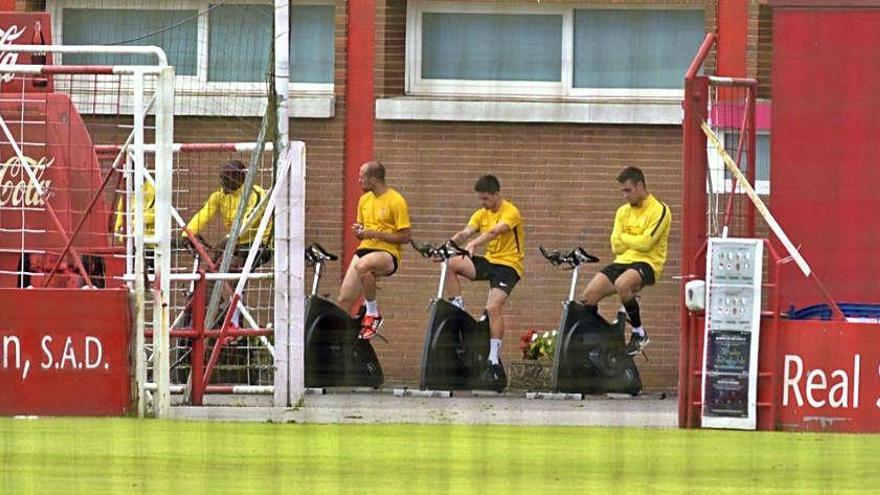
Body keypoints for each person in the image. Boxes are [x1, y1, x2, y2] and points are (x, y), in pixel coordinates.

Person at [580, 166, 671, 356]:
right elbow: (615, 246)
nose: (625, 195)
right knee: (588, 296)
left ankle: (639, 333)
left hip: (648, 263)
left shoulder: (660, 210)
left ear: (640, 186)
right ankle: (604, 338)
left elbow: (647, 244)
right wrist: (633, 241)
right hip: (622, 260)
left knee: (623, 285)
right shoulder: (622, 212)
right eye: (623, 190)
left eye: (628, 190)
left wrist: (627, 239)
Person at [446, 175, 524, 392]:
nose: (483, 203)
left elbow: (493, 232)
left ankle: (493, 358)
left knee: (492, 308)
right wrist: (448, 245)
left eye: (487, 199)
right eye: (481, 199)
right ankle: (458, 307)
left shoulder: (511, 212)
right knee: (451, 264)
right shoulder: (481, 213)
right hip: (490, 262)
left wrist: (474, 244)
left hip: (508, 266)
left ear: (498, 194)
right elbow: (466, 231)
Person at [336, 160, 411, 340]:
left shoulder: (396, 200)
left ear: (375, 179)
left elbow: (405, 237)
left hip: (388, 253)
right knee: (343, 301)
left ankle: (373, 313)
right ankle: (348, 342)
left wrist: (374, 233)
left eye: (362, 177)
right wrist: (360, 233)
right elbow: (363, 235)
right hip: (365, 249)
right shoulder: (364, 200)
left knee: (363, 266)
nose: (358, 180)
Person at [183, 159, 273, 271]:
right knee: (211, 267)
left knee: (233, 265)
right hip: (235, 243)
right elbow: (204, 213)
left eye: (227, 179)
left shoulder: (256, 195)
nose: (222, 182)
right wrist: (188, 234)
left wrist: (228, 239)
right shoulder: (220, 196)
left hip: (260, 244)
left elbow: (248, 220)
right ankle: (210, 287)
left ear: (240, 178)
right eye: (221, 178)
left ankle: (233, 288)